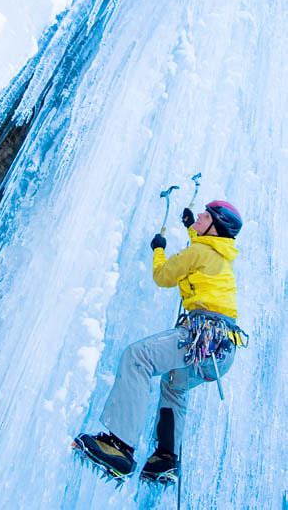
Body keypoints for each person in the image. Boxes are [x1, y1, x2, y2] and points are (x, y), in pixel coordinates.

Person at [74, 200, 245, 482]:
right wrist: (191, 227)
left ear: (215, 227)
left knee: (138, 357)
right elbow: (200, 249)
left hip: (202, 337)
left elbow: (163, 276)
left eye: (205, 216)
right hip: (222, 352)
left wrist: (158, 248)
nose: (199, 217)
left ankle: (120, 446)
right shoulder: (219, 254)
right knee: (174, 386)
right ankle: (165, 458)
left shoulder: (201, 250)